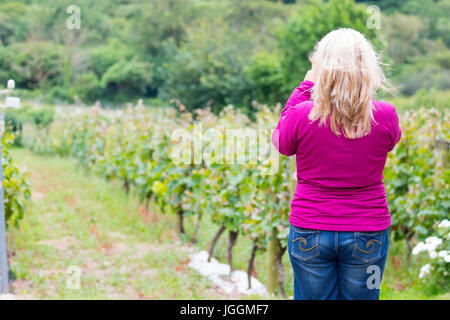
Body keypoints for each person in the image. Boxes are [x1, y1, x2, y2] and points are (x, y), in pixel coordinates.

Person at [272, 28, 401, 300]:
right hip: (368, 230)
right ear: (367, 68)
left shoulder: (302, 114)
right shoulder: (385, 114)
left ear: (321, 69)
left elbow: (282, 144)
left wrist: (304, 88)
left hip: (310, 227)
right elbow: (389, 143)